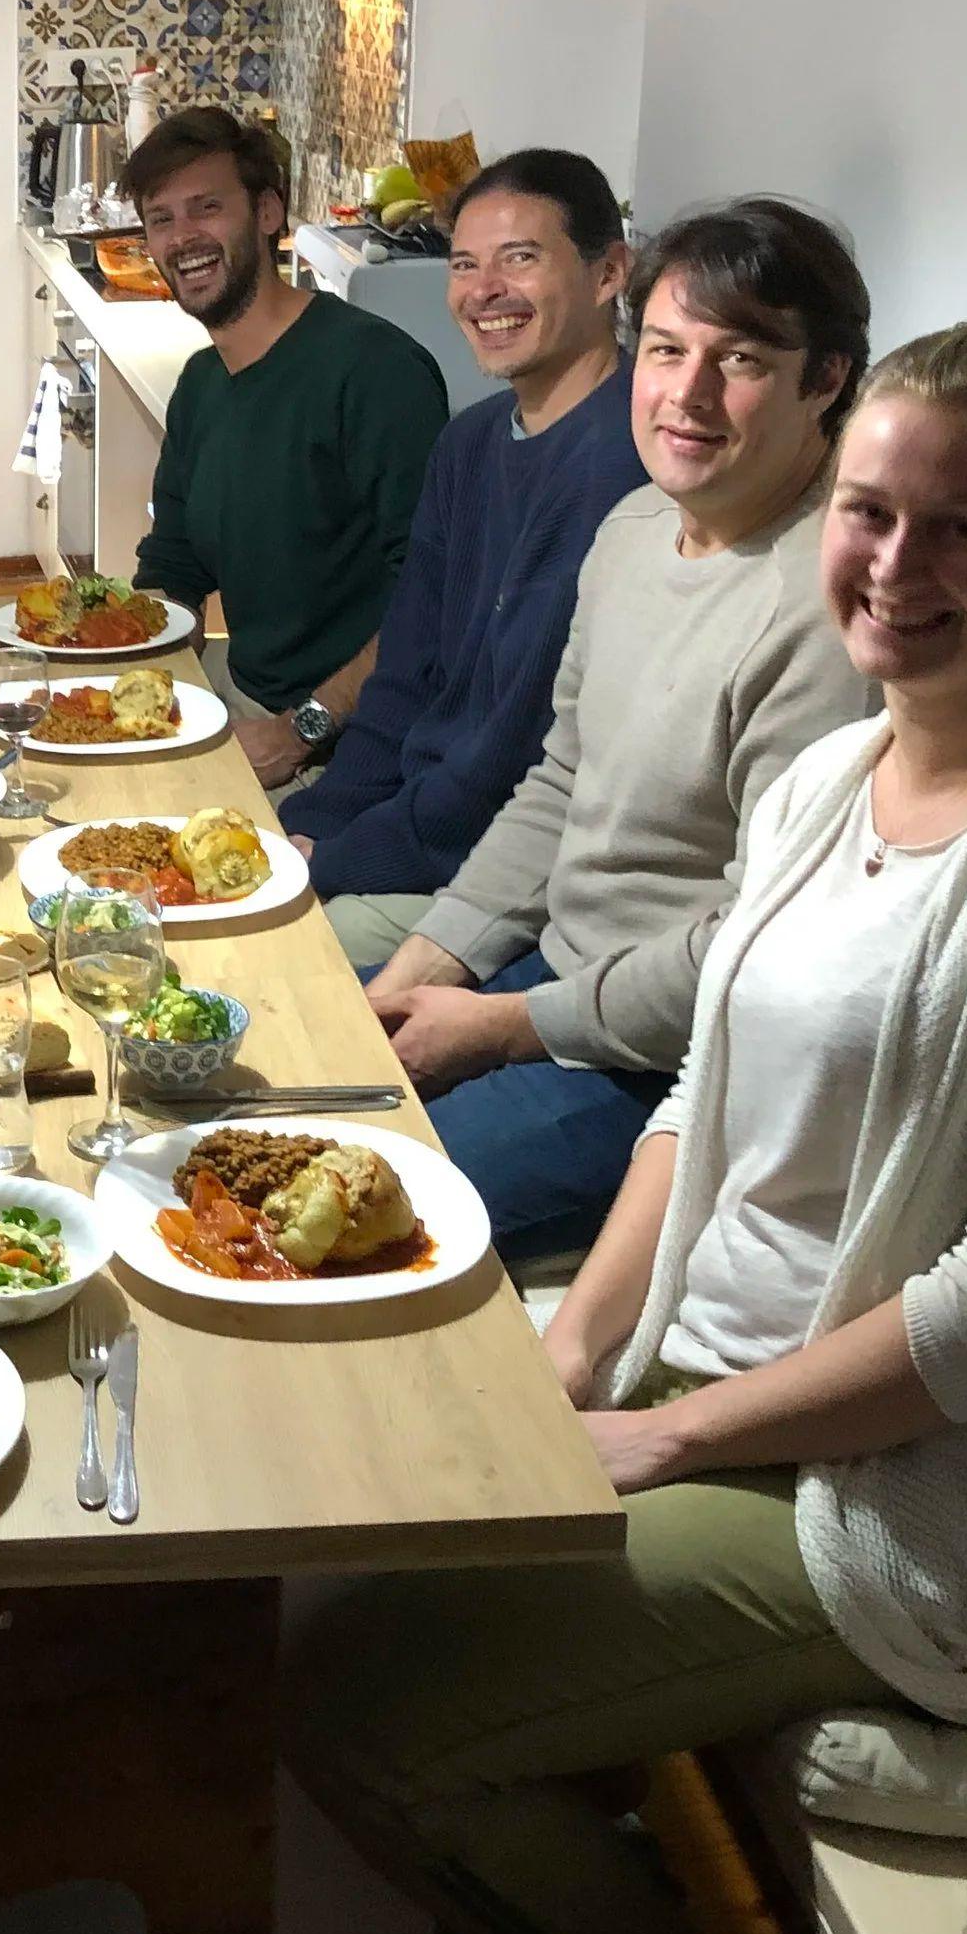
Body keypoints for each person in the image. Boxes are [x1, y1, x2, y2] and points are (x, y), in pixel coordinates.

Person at [285, 309, 967, 1934]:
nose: (893, 571)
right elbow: (696, 1106)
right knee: (349, 1485)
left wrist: (652, 1431)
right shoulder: (829, 778)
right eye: (866, 514)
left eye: (962, 531)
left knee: (358, 1703)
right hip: (691, 1371)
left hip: (865, 1490)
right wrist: (568, 1341)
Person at [364, 199, 877, 1261]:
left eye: (737, 361)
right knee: (307, 1109)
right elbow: (560, 783)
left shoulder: (835, 612)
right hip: (552, 981)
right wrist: (424, 965)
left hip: (673, 1065)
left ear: (823, 380)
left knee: (373, 1218)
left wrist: (505, 1026)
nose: (685, 395)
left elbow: (757, 947)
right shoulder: (635, 527)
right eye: (665, 350)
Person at [291, 149, 645, 968]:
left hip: (498, 870)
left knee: (260, 962)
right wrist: (309, 827)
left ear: (608, 273)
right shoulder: (471, 442)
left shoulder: (625, 466)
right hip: (414, 820)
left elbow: (508, 766)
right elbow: (404, 680)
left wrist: (332, 861)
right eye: (463, 264)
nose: (484, 291)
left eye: (519, 258)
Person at [126, 108, 448, 789]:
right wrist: (132, 668)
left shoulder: (373, 372)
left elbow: (430, 599)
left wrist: (299, 729)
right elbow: (174, 565)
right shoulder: (202, 384)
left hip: (350, 744)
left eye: (206, 208)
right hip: (243, 699)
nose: (184, 238)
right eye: (162, 219)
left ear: (268, 211)